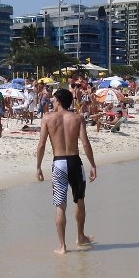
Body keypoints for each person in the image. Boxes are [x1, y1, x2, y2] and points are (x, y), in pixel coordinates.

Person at [36, 88, 97, 255]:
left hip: (59, 164)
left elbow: (41, 144)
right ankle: (80, 236)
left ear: (60, 100)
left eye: (54, 100)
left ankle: (62, 246)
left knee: (60, 206)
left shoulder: (47, 118)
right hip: (75, 162)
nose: (52, 102)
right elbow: (85, 143)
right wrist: (92, 164)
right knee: (79, 200)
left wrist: (38, 167)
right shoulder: (77, 118)